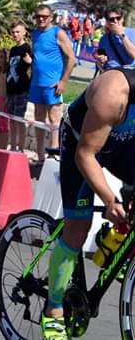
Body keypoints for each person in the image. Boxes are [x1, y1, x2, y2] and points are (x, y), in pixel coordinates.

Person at [41, 67, 135, 339]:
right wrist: (109, 200)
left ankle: (115, 242)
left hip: (122, 144)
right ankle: (53, 309)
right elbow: (86, 156)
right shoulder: (113, 92)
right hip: (81, 146)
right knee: (78, 228)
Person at [29, 4, 75, 164]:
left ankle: (54, 152)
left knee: (54, 118)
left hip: (53, 84)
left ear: (51, 17)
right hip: (37, 84)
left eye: (44, 16)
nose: (41, 19)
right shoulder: (34, 34)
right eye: (38, 16)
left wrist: (63, 81)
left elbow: (72, 58)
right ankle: (40, 153)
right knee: (39, 118)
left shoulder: (58, 33)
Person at [6, 22, 32, 152]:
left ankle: (20, 147)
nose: (15, 34)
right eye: (13, 32)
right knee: (11, 119)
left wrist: (30, 62)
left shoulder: (27, 48)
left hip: (22, 89)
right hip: (11, 88)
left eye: (18, 32)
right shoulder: (13, 50)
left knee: (19, 119)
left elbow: (33, 66)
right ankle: (13, 145)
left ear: (24, 33)